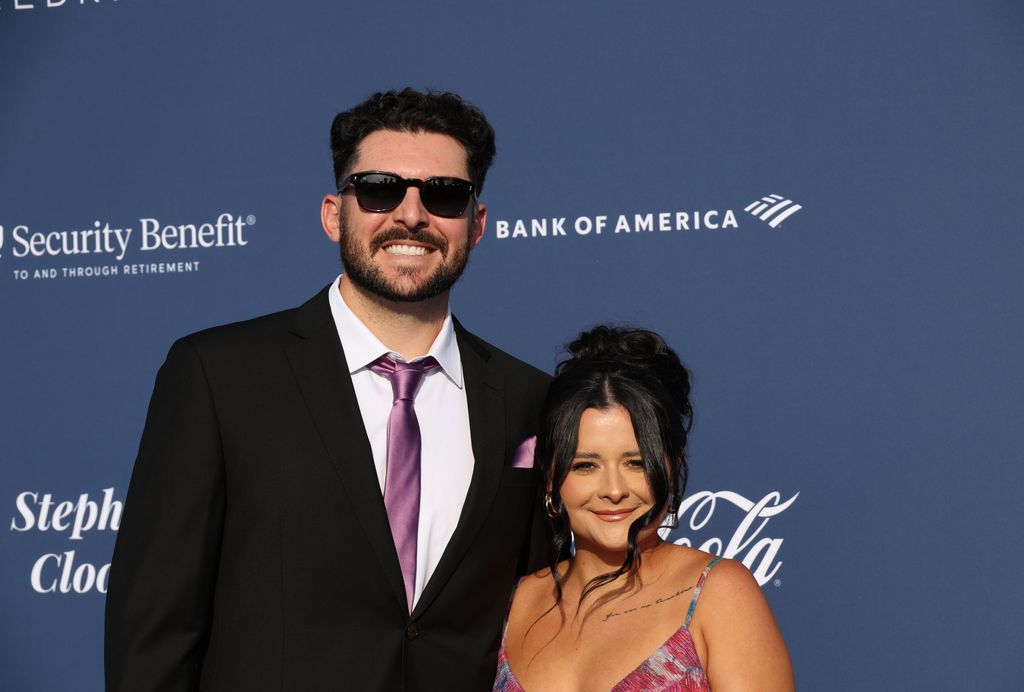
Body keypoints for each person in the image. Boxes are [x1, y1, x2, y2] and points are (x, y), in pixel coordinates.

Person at [105, 88, 551, 691]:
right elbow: (152, 639)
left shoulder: (531, 401)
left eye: (444, 194)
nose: (411, 215)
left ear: (477, 224)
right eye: (378, 188)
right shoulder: (217, 376)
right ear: (334, 214)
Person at [494, 326, 794, 691]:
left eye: (635, 463)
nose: (614, 490)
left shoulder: (718, 594)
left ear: (672, 465)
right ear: (550, 477)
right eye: (585, 466)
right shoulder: (519, 599)